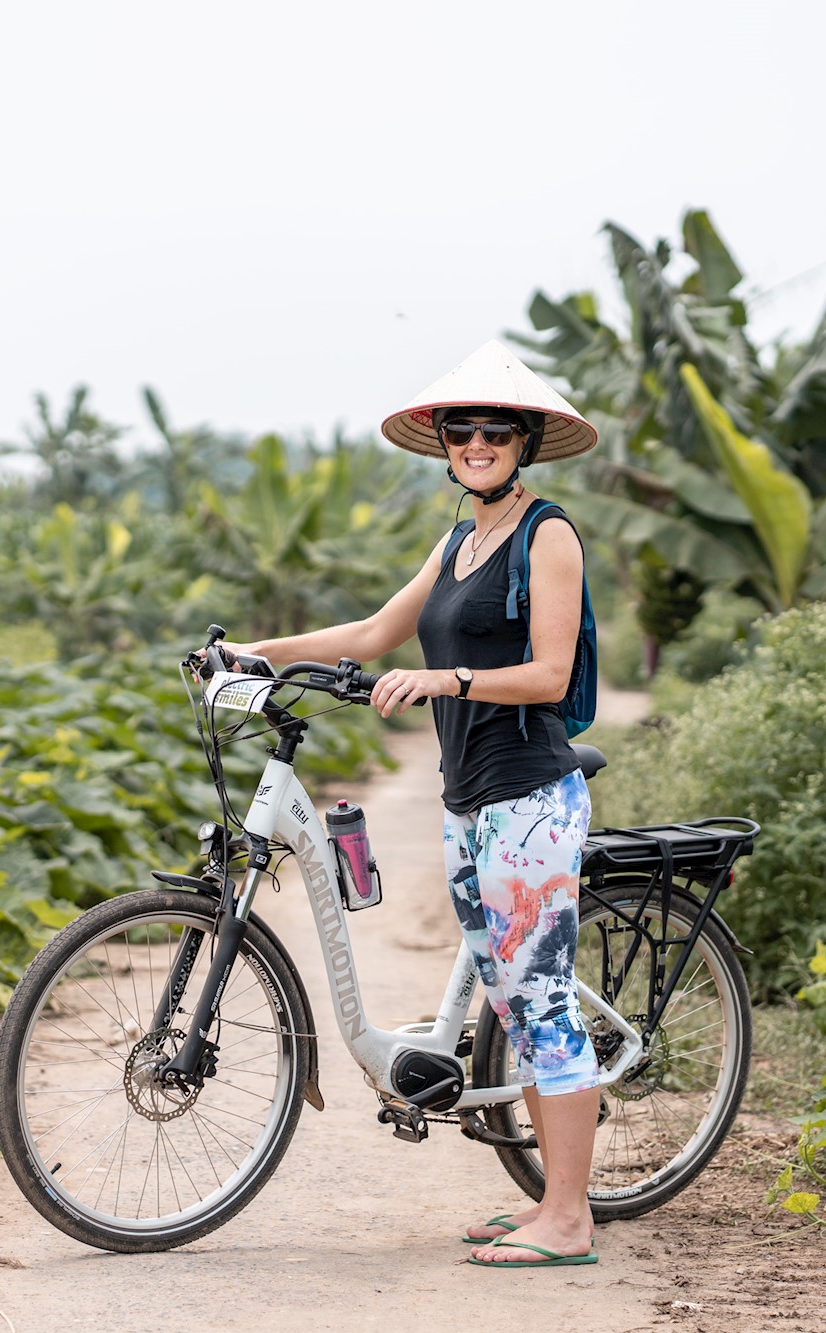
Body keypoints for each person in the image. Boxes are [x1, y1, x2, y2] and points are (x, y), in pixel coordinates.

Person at [221, 340, 602, 1269]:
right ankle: (547, 1201)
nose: (477, 442)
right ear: (443, 443)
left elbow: (550, 672)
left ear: (525, 442)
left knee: (540, 999)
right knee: (507, 1003)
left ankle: (569, 1217)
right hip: (469, 798)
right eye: (462, 429)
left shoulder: (548, 534)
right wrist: (254, 653)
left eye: (495, 430)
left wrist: (446, 677)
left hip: (530, 797)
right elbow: (371, 631)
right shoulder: (459, 541)